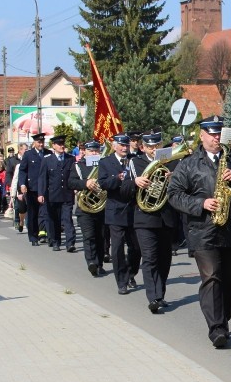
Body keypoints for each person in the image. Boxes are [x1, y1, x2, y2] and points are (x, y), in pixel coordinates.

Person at [167, 115, 231, 348]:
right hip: (203, 230)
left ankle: (223, 318)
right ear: (202, 136)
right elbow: (174, 194)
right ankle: (216, 328)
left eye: (218, 134)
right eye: (211, 134)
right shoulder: (189, 163)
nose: (216, 138)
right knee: (212, 275)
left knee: (230, 279)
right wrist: (201, 204)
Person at [121, 130, 178, 314]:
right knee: (150, 258)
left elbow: (183, 185)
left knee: (164, 259)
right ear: (143, 147)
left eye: (157, 145)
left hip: (166, 217)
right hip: (145, 217)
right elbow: (124, 190)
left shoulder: (171, 161)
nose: (154, 149)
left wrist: (174, 178)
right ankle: (152, 297)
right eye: (151, 146)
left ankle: (160, 294)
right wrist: (135, 182)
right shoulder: (135, 162)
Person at [99, 133, 141, 294]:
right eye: (121, 145)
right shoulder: (105, 162)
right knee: (116, 249)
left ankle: (131, 273)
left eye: (126, 145)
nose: (124, 148)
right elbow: (103, 183)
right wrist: (118, 178)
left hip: (134, 209)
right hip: (116, 210)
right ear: (114, 146)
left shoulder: (135, 159)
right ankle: (121, 281)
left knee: (136, 248)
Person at [68, 139, 106, 276]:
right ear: (85, 152)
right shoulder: (78, 166)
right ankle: (91, 262)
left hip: (102, 206)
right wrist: (86, 183)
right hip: (84, 207)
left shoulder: (104, 164)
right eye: (91, 150)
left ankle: (100, 263)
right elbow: (71, 182)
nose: (94, 153)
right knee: (89, 236)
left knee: (101, 237)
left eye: (96, 150)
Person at [37, 135, 76, 252]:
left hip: (67, 194)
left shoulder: (70, 159)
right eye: (59, 144)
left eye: (63, 143)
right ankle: (55, 241)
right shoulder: (47, 160)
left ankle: (70, 243)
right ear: (53, 146)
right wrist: (41, 194)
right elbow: (42, 178)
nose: (62, 146)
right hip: (53, 195)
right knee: (54, 219)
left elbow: (74, 176)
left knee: (67, 219)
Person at [18, 133, 51, 245]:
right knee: (33, 214)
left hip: (46, 188)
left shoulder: (48, 153)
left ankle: (45, 233)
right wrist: (22, 184)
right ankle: (33, 236)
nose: (41, 144)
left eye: (42, 142)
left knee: (46, 212)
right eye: (39, 142)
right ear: (34, 143)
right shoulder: (28, 155)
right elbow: (22, 171)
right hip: (32, 189)